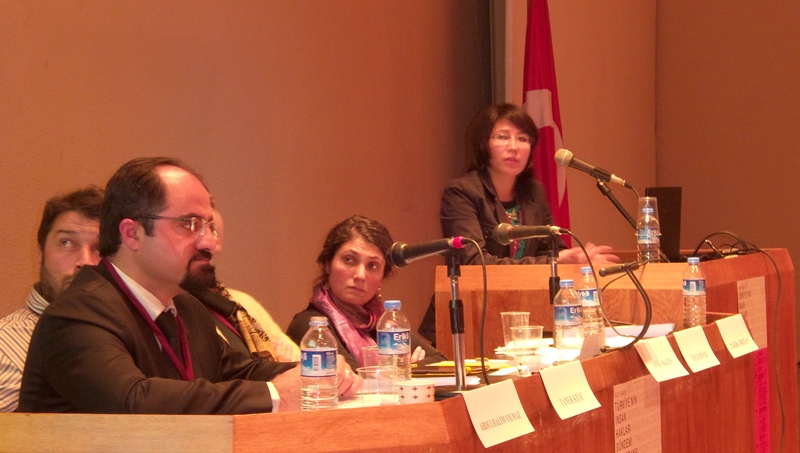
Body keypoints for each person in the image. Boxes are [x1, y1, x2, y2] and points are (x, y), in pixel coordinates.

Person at [18, 157, 359, 414]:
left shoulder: (186, 308)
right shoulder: (78, 313)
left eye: (209, 226)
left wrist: (316, 373)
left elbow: (243, 371)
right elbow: (134, 401)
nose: (209, 243)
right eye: (189, 224)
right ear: (132, 234)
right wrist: (276, 394)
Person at [420, 103, 619, 343]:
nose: (514, 147)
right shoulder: (461, 193)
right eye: (503, 137)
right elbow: (474, 263)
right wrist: (555, 261)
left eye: (523, 139)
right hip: (467, 322)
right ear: (484, 144)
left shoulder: (532, 192)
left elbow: (552, 249)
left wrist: (580, 263)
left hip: (526, 316)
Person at [286, 215, 446, 372]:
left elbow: (440, 362)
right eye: (349, 260)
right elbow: (353, 378)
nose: (360, 275)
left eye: (372, 265)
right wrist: (402, 369)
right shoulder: (311, 325)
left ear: (382, 276)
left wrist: (409, 368)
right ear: (328, 264)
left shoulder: (381, 322)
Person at [0, 186, 104, 412]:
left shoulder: (136, 339)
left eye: (100, 247)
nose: (85, 262)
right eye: (66, 243)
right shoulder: (3, 348)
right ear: (40, 255)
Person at [184, 205, 300, 362]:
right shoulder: (177, 309)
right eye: (191, 222)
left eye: (211, 205)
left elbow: (301, 363)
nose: (209, 240)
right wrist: (279, 371)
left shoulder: (242, 302)